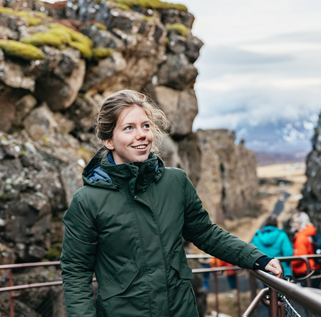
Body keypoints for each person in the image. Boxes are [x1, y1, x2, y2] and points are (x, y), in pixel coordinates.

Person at [60, 90, 283, 317]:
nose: (142, 135)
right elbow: (76, 272)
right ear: (108, 140)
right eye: (129, 128)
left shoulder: (176, 182)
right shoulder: (87, 201)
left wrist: (256, 258)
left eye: (146, 126)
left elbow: (206, 233)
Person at [290, 212, 321, 287]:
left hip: (302, 270)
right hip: (310, 267)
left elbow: (300, 255)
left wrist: (292, 263)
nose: (293, 224)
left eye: (295, 222)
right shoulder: (307, 234)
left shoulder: (301, 237)